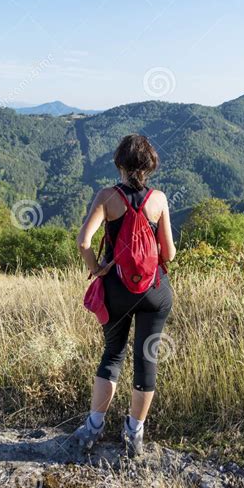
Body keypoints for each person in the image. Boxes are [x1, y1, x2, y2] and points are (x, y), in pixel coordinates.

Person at [75, 134, 176, 454]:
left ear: (119, 164)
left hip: (116, 289)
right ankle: (134, 434)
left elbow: (83, 242)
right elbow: (169, 254)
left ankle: (93, 427)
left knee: (113, 355)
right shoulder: (159, 199)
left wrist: (98, 269)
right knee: (147, 360)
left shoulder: (107, 196)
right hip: (154, 291)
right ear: (149, 167)